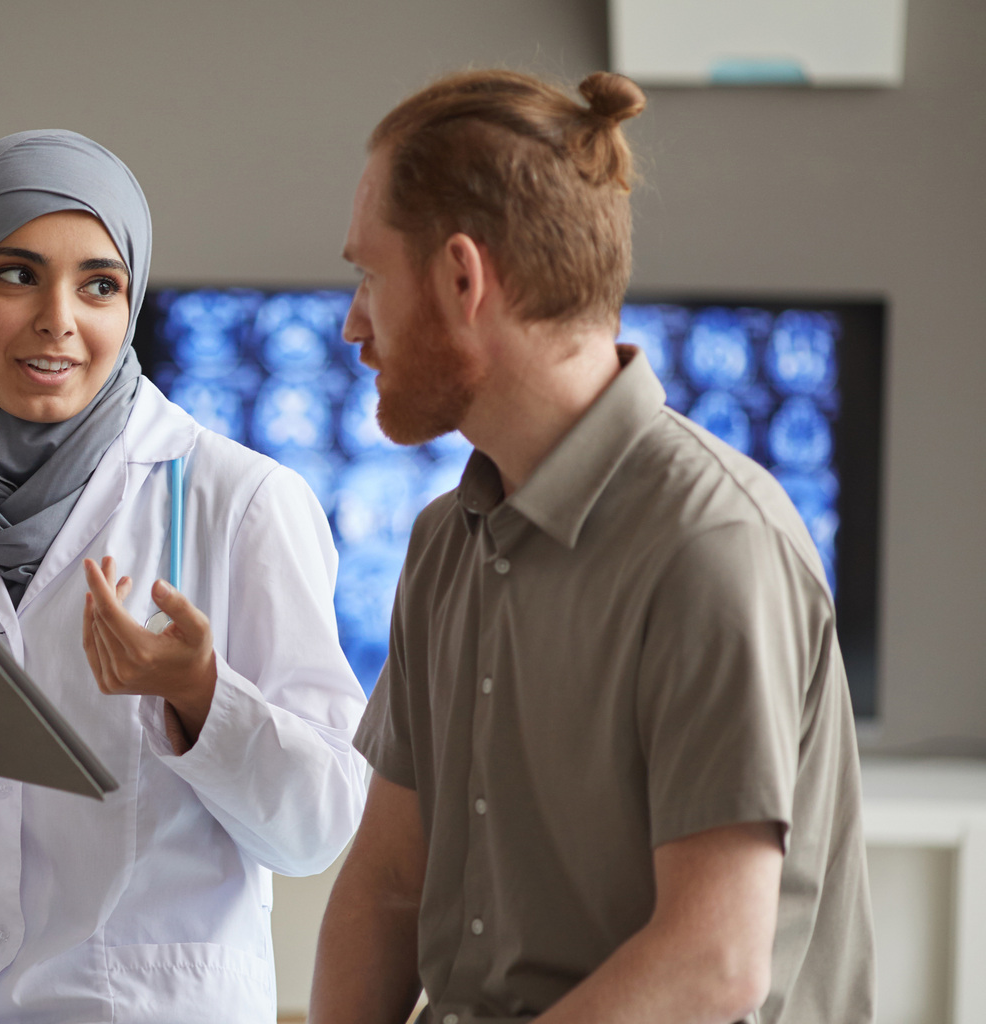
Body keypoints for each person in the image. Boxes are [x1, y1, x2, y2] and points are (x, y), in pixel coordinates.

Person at [310, 70, 874, 1024]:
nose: (353, 324)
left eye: (369, 276)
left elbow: (710, 963)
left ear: (460, 279)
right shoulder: (444, 543)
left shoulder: (712, 545)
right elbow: (389, 883)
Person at [0, 130, 367, 1024]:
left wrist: (204, 698)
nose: (59, 318)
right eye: (15, 274)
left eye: (100, 284)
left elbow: (315, 831)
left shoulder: (243, 502)